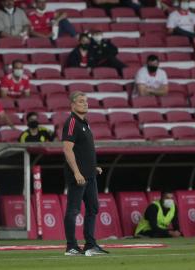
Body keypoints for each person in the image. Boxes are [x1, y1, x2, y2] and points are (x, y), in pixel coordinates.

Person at [62, 91, 108, 256]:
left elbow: (83, 150)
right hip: (78, 176)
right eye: (81, 101)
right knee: (73, 210)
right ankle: (71, 246)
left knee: (93, 208)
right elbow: (67, 150)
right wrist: (77, 172)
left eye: (86, 101)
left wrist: (92, 167)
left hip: (89, 174)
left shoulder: (84, 122)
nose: (85, 104)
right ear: (73, 105)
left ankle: (90, 244)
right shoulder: (72, 122)